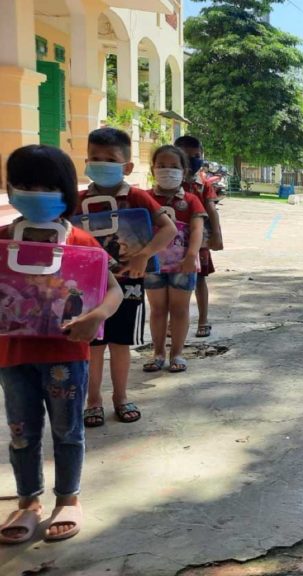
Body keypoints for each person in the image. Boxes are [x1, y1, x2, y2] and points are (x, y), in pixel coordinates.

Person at [0, 145, 123, 544]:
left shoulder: (82, 243)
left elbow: (114, 291)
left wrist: (96, 316)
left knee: (68, 429)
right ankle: (28, 501)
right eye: (25, 185)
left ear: (67, 191)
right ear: (10, 188)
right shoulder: (2, 241)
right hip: (12, 356)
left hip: (65, 356)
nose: (35, 193)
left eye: (47, 185)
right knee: (21, 431)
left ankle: (68, 497)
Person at [79, 128, 175, 427]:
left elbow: (169, 230)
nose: (101, 163)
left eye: (110, 158)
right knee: (92, 344)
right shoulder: (77, 199)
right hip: (87, 287)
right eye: (95, 158)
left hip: (129, 283)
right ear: (86, 161)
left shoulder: (137, 197)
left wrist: (143, 255)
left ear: (128, 166)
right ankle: (92, 400)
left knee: (120, 344)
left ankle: (120, 397)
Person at [143, 146, 207, 374]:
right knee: (158, 309)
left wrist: (191, 255)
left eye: (173, 166)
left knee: (179, 310)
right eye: (161, 166)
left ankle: (177, 353)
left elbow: (197, 229)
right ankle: (158, 352)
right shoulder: (144, 198)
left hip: (183, 264)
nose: (167, 171)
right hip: (152, 265)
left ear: (184, 170)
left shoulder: (191, 200)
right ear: (153, 169)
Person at [174, 135, 224, 339]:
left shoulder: (202, 183)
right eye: (187, 156)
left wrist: (217, 236)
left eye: (197, 156)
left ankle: (203, 320)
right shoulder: (169, 179)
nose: (193, 160)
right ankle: (173, 321)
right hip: (173, 242)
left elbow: (211, 210)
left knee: (200, 280)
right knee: (173, 281)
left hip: (200, 239)